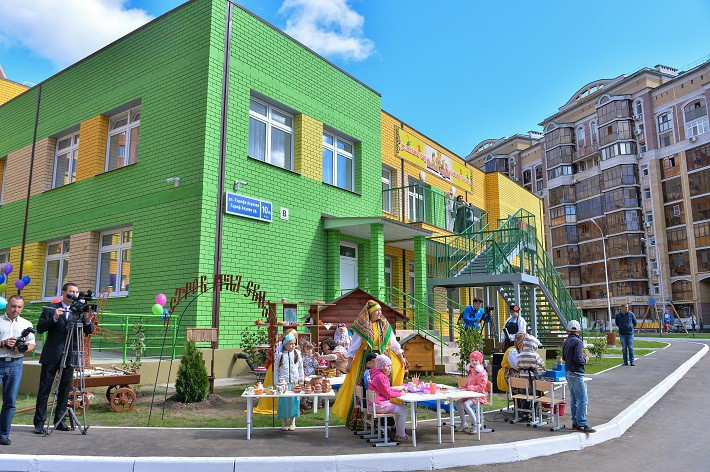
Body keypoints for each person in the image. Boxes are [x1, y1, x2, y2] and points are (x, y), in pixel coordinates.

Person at [332, 300, 408, 428]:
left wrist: (401, 358)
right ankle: (363, 422)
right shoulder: (362, 326)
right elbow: (354, 346)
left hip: (383, 360)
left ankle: (387, 421)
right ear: (370, 313)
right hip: (367, 361)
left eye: (380, 310)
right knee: (365, 388)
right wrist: (349, 363)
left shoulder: (384, 325)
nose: (379, 313)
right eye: (377, 311)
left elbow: (393, 344)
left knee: (384, 387)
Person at [34, 283, 94, 433]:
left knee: (65, 388)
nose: (74, 294)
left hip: (70, 355)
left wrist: (88, 320)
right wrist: (54, 318)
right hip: (52, 354)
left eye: (76, 292)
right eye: (71, 291)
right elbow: (40, 328)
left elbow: (89, 330)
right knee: (45, 388)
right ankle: (39, 422)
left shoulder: (79, 311)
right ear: (63, 293)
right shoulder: (51, 308)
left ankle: (60, 420)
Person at [1, 295, 35, 445]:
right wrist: (3, 343)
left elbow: (32, 344)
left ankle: (3, 435)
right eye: (13, 306)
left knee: (10, 401)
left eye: (19, 307)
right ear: (7, 305)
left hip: (16, 364)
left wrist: (22, 348)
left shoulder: (26, 324)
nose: (16, 309)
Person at [562, 320, 596, 433]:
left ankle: (575, 422)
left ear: (567, 330)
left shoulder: (566, 341)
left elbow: (564, 357)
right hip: (576, 372)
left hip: (568, 371)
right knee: (582, 399)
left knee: (574, 399)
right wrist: (584, 359)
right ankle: (582, 423)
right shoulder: (578, 341)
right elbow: (577, 358)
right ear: (579, 331)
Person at [368, 354, 410, 442]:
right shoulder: (380, 377)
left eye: (390, 366)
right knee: (402, 410)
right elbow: (387, 393)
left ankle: (399, 434)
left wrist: (398, 391)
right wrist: (400, 393)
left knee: (400, 409)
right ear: (382, 367)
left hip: (375, 404)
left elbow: (386, 389)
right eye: (388, 366)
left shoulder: (376, 375)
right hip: (379, 405)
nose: (390, 368)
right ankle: (401, 435)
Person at [273, 332, 304, 431]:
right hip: (283, 383)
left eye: (294, 343)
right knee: (283, 402)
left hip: (294, 383)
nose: (293, 345)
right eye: (291, 343)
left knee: (294, 402)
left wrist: (301, 379)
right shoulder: (280, 355)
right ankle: (284, 422)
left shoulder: (297, 354)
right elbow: (276, 369)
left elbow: (300, 367)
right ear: (284, 344)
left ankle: (292, 421)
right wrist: (276, 382)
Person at [455, 350, 488, 434]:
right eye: (472, 360)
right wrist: (464, 387)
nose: (474, 362)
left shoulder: (482, 373)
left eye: (476, 360)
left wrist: (468, 388)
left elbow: (480, 387)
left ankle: (477, 424)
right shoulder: (471, 371)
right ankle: (464, 423)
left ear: (480, 361)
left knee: (466, 404)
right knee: (458, 402)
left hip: (480, 396)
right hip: (471, 394)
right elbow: (469, 382)